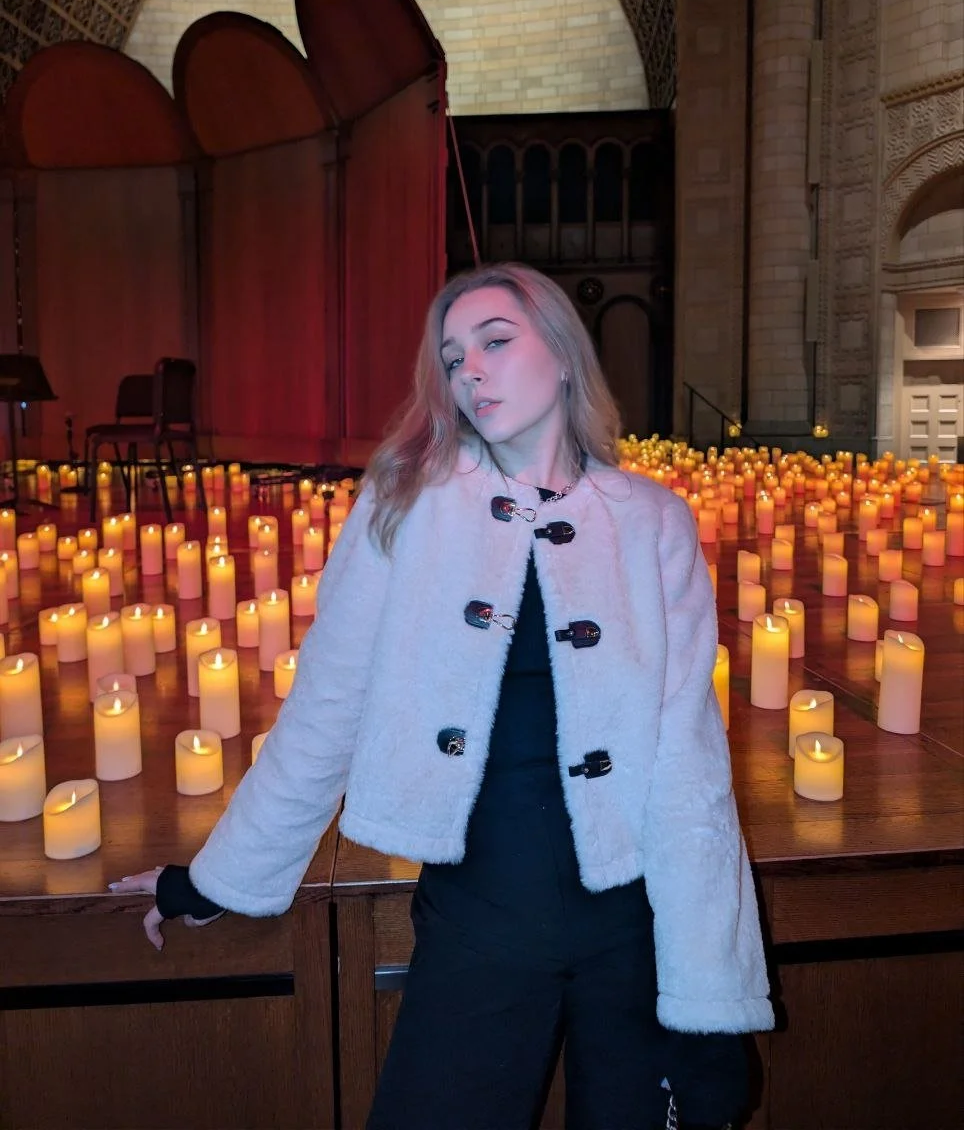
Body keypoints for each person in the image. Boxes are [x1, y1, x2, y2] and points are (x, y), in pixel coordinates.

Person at [112, 262, 774, 1129]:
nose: (471, 372)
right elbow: (327, 711)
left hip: (634, 933)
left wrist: (710, 1002)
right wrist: (212, 881)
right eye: (454, 358)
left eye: (496, 341)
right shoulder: (406, 505)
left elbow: (689, 763)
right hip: (479, 920)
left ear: (566, 355)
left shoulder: (652, 519)